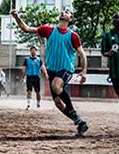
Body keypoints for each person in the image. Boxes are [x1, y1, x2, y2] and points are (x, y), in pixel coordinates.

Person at [11, 8, 89, 137]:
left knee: (55, 86)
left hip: (66, 69)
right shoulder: (48, 30)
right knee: (58, 103)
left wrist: (84, 70)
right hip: (52, 70)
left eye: (68, 12)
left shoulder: (73, 35)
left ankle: (74, 114)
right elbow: (26, 28)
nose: (65, 12)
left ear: (71, 19)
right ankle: (80, 122)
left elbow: (82, 54)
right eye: (64, 11)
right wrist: (17, 17)